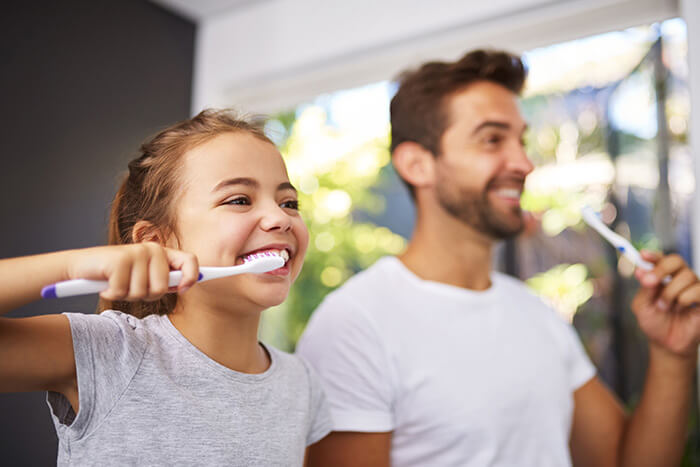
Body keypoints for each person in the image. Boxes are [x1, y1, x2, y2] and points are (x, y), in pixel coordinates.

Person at [297, 50, 700, 466]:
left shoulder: (532, 312)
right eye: (492, 139)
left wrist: (673, 355)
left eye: (520, 141)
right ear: (418, 164)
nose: (524, 163)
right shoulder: (354, 326)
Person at [0, 110, 331, 466]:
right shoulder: (106, 352)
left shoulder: (302, 386)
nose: (281, 218)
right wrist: (68, 266)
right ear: (157, 242)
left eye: (289, 203)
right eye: (239, 200)